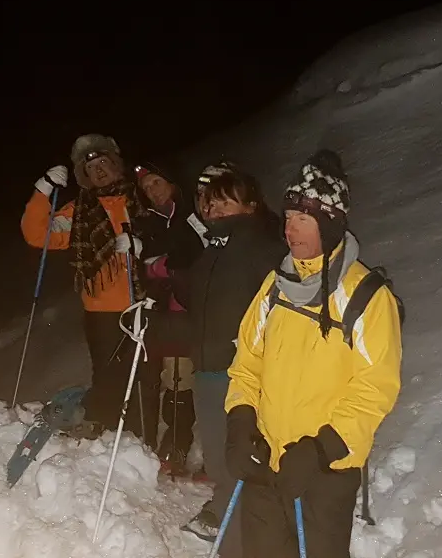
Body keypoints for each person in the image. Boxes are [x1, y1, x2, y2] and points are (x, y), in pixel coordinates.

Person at [224, 150, 403, 558]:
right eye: (288, 218)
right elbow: (246, 364)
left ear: (330, 223)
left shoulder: (366, 297)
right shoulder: (275, 286)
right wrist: (240, 421)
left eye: (303, 219)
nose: (291, 229)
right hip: (267, 462)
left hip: (325, 472)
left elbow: (376, 390)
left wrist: (320, 450)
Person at [164, 167, 287, 549]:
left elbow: (281, 313)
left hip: (242, 372)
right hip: (208, 370)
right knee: (219, 459)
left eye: (226, 201)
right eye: (211, 202)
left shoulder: (265, 249)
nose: (216, 209)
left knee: (242, 456)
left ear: (250, 205)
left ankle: (250, 533)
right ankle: (228, 518)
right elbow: (201, 315)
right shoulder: (212, 251)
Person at [20, 134, 145, 435]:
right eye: (91, 169)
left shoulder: (140, 200)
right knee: (108, 373)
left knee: (143, 378)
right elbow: (39, 234)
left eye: (104, 163)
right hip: (102, 309)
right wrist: (43, 189)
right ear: (85, 177)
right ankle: (103, 427)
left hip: (147, 302)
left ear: (117, 165)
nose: (99, 171)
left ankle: (142, 436)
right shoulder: (78, 213)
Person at [132, 161, 204, 468]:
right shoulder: (148, 224)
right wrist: (146, 261)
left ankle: (183, 442)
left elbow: (199, 253)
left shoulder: (192, 215)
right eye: (146, 189)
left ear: (172, 183)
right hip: (162, 314)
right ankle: (169, 441)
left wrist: (159, 264)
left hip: (192, 311)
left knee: (185, 379)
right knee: (168, 378)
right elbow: (144, 269)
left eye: (156, 183)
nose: (152, 192)